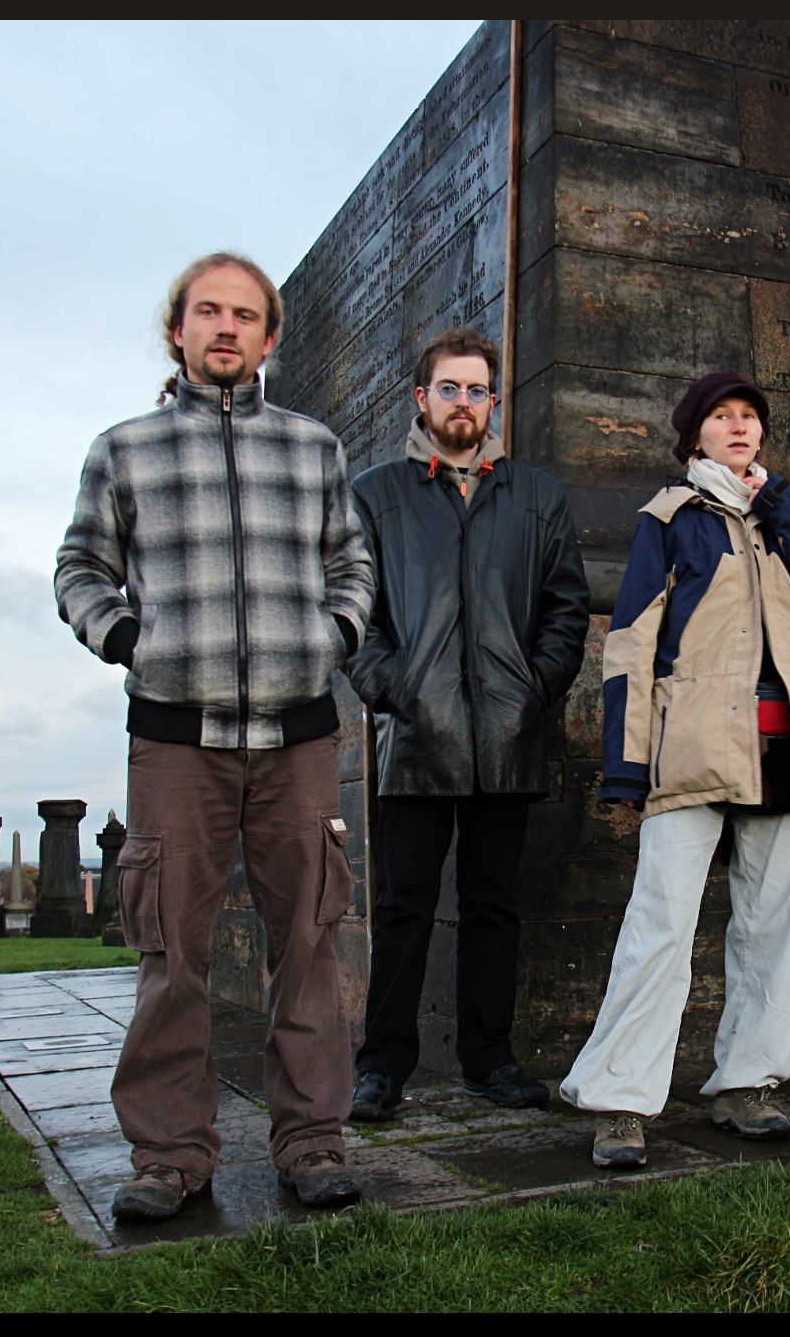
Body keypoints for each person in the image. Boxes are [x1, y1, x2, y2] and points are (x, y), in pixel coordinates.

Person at [54, 252, 376, 1217]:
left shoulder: (313, 448)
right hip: (174, 738)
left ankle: (312, 1141)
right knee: (170, 951)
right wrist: (130, 642)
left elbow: (353, 564)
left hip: (299, 735)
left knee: (308, 943)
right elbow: (80, 567)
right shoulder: (124, 450)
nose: (225, 327)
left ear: (269, 336)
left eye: (244, 314)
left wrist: (332, 638)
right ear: (178, 330)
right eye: (208, 311)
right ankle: (169, 1153)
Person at [561, 370, 790, 1169]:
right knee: (659, 924)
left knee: (772, 925)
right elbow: (630, 643)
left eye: (750, 416)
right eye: (722, 416)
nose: (739, 426)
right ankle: (621, 1099)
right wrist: (626, 763)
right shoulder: (669, 520)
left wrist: (785, 505)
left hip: (789, 748)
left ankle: (748, 1082)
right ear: (695, 435)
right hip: (692, 746)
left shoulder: (787, 518)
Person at [344, 327, 590, 1122]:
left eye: (476, 389)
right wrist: (393, 689)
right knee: (403, 906)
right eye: (448, 388)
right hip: (416, 737)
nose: (463, 402)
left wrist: (534, 688)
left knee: (493, 905)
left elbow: (566, 608)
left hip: (506, 738)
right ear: (422, 398)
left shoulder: (537, 495)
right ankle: (383, 1066)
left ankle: (490, 1058)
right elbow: (353, 612)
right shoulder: (376, 494)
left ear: (493, 401)